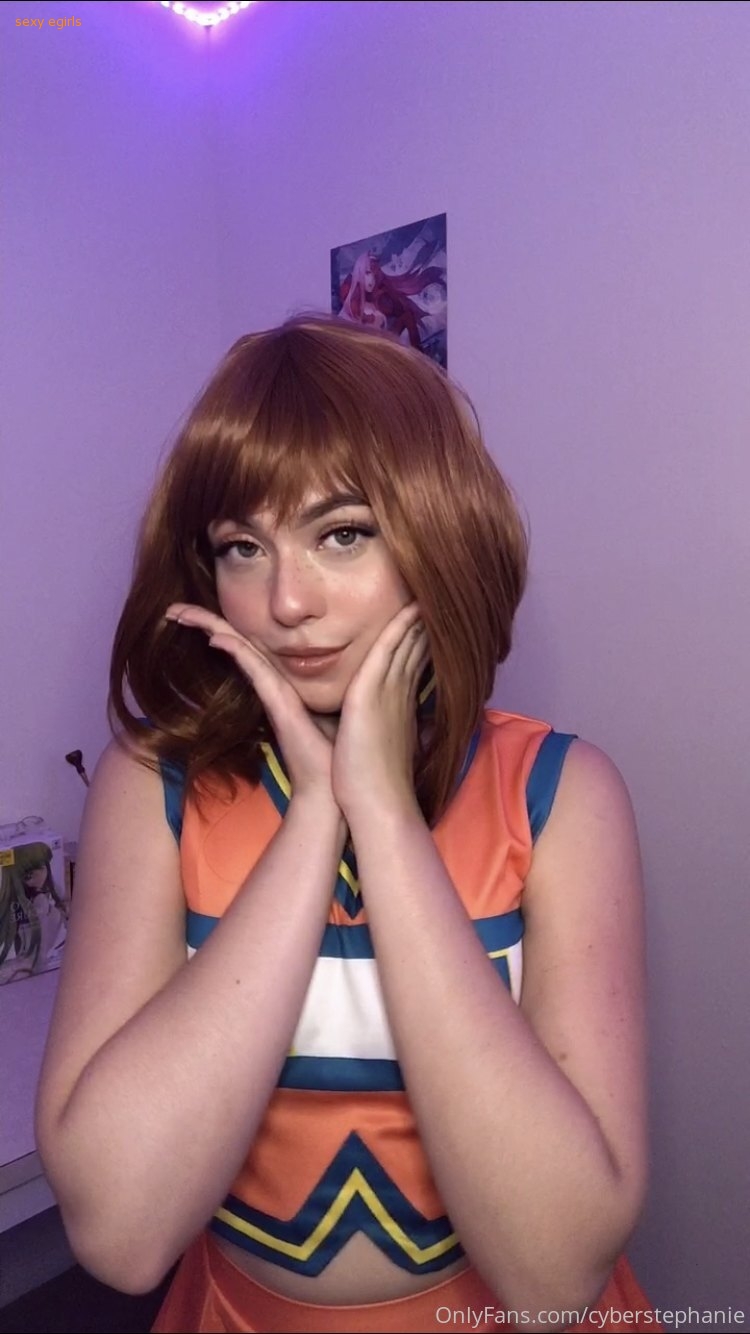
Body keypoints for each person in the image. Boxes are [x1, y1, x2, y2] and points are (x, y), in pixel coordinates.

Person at [35, 316, 663, 1333]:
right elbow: (121, 1234)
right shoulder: (152, 788)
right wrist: (318, 811)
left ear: (437, 533)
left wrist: (383, 815)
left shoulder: (560, 794)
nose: (286, 601)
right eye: (243, 547)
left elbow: (554, 1277)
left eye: (343, 533)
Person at [0, 840, 68, 984]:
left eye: (42, 868)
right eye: (28, 874)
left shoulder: (50, 893)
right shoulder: (25, 901)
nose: (38, 876)